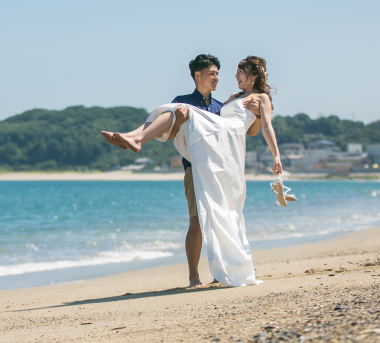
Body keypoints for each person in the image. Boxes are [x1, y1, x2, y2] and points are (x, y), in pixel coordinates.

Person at [102, 56, 281, 287]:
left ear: (253, 75)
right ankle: (134, 137)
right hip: (195, 164)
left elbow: (255, 129)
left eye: (237, 72)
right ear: (198, 75)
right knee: (197, 221)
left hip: (222, 160)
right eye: (212, 73)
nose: (223, 77)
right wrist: (179, 120)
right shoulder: (211, 100)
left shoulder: (231, 104)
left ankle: (221, 271)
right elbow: (172, 134)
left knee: (220, 218)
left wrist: (260, 123)